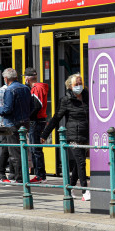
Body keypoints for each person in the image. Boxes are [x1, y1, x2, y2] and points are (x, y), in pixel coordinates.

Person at [41, 73, 90, 201]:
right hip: (73, 136)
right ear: (70, 86)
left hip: (85, 135)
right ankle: (85, 191)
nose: (79, 86)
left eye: (80, 83)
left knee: (77, 164)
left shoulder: (87, 96)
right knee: (81, 162)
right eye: (76, 84)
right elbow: (56, 117)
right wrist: (45, 134)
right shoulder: (66, 100)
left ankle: (70, 188)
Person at [0, 68, 32, 184]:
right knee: (22, 149)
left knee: (14, 152)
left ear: (6, 79)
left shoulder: (9, 90)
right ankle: (22, 175)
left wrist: (0, 110)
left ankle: (19, 177)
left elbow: (7, 109)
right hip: (25, 123)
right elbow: (31, 106)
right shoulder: (26, 88)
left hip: (12, 124)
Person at [24, 67, 49, 183]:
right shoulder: (41, 87)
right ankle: (40, 175)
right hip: (41, 120)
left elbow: (37, 106)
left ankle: (40, 175)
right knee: (37, 148)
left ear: (27, 78)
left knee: (35, 149)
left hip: (36, 121)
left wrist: (28, 117)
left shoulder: (36, 89)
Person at [0, 80, 13, 182]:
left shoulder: (12, 89)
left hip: (11, 124)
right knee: (6, 149)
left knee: (11, 149)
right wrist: (3, 124)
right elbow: (0, 108)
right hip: (6, 125)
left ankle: (11, 174)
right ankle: (1, 173)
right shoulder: (2, 91)